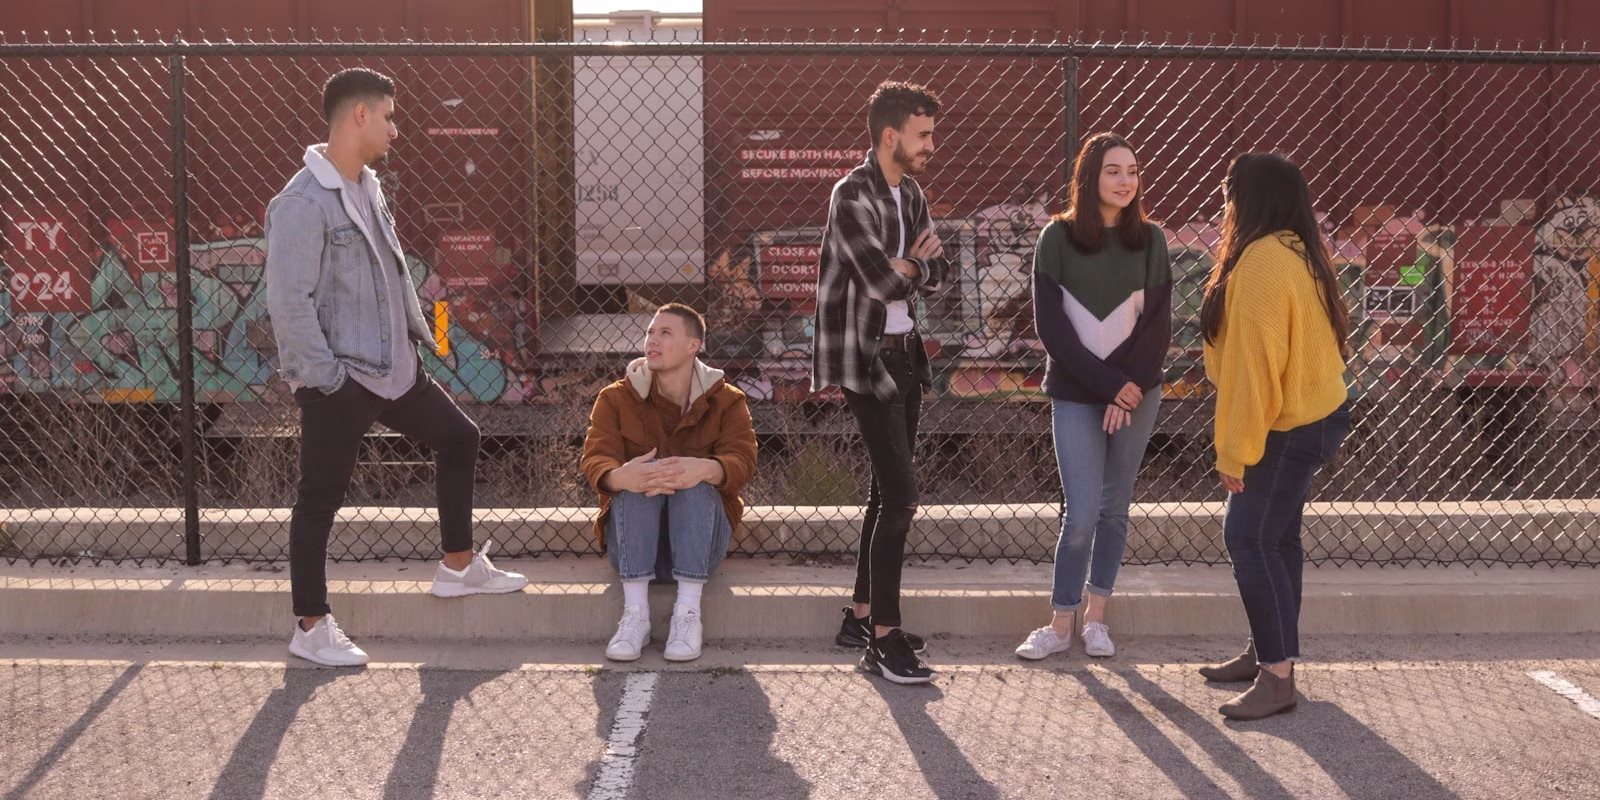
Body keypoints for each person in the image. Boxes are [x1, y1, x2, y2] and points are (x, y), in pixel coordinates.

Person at [264, 68, 527, 668]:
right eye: (387, 115)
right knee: (320, 497)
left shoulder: (368, 185)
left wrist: (418, 339)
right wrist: (328, 380)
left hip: (394, 367)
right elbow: (286, 301)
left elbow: (389, 271)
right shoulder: (302, 202)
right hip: (343, 378)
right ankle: (310, 626)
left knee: (460, 437)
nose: (395, 128)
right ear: (359, 115)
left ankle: (457, 566)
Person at [1195, 152, 1352, 721]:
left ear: (1251, 198)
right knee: (1277, 538)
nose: (1224, 203)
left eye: (1229, 192)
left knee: (1248, 537)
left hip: (1288, 422)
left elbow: (1254, 366)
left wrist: (1235, 449)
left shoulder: (1263, 258)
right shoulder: (1295, 250)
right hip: (1312, 413)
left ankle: (1277, 677)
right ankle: (1269, 653)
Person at [812, 80, 950, 684]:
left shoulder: (911, 192)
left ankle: (862, 617)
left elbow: (940, 274)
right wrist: (914, 265)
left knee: (884, 493)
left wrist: (912, 266)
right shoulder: (851, 194)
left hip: (906, 353)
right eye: (922, 135)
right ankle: (884, 644)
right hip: (866, 358)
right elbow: (880, 282)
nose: (930, 146)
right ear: (890, 135)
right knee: (902, 495)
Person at [1015, 133, 1172, 662]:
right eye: (1113, 171)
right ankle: (1060, 623)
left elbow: (1156, 328)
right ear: (1089, 178)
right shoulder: (1055, 238)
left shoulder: (1151, 239)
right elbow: (1052, 331)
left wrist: (1127, 393)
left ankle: (1096, 620)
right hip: (1080, 395)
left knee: (1113, 509)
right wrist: (1110, 387)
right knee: (1080, 513)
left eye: (1132, 170)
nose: (1126, 180)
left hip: (1137, 394)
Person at [581, 304, 758, 663]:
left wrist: (705, 469)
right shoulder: (615, 397)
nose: (652, 341)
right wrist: (619, 476)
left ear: (694, 345)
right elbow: (595, 457)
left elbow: (743, 459)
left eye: (665, 333)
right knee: (642, 478)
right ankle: (636, 616)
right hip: (631, 549)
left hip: (700, 550)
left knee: (690, 480)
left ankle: (688, 613)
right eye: (650, 333)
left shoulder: (727, 400)